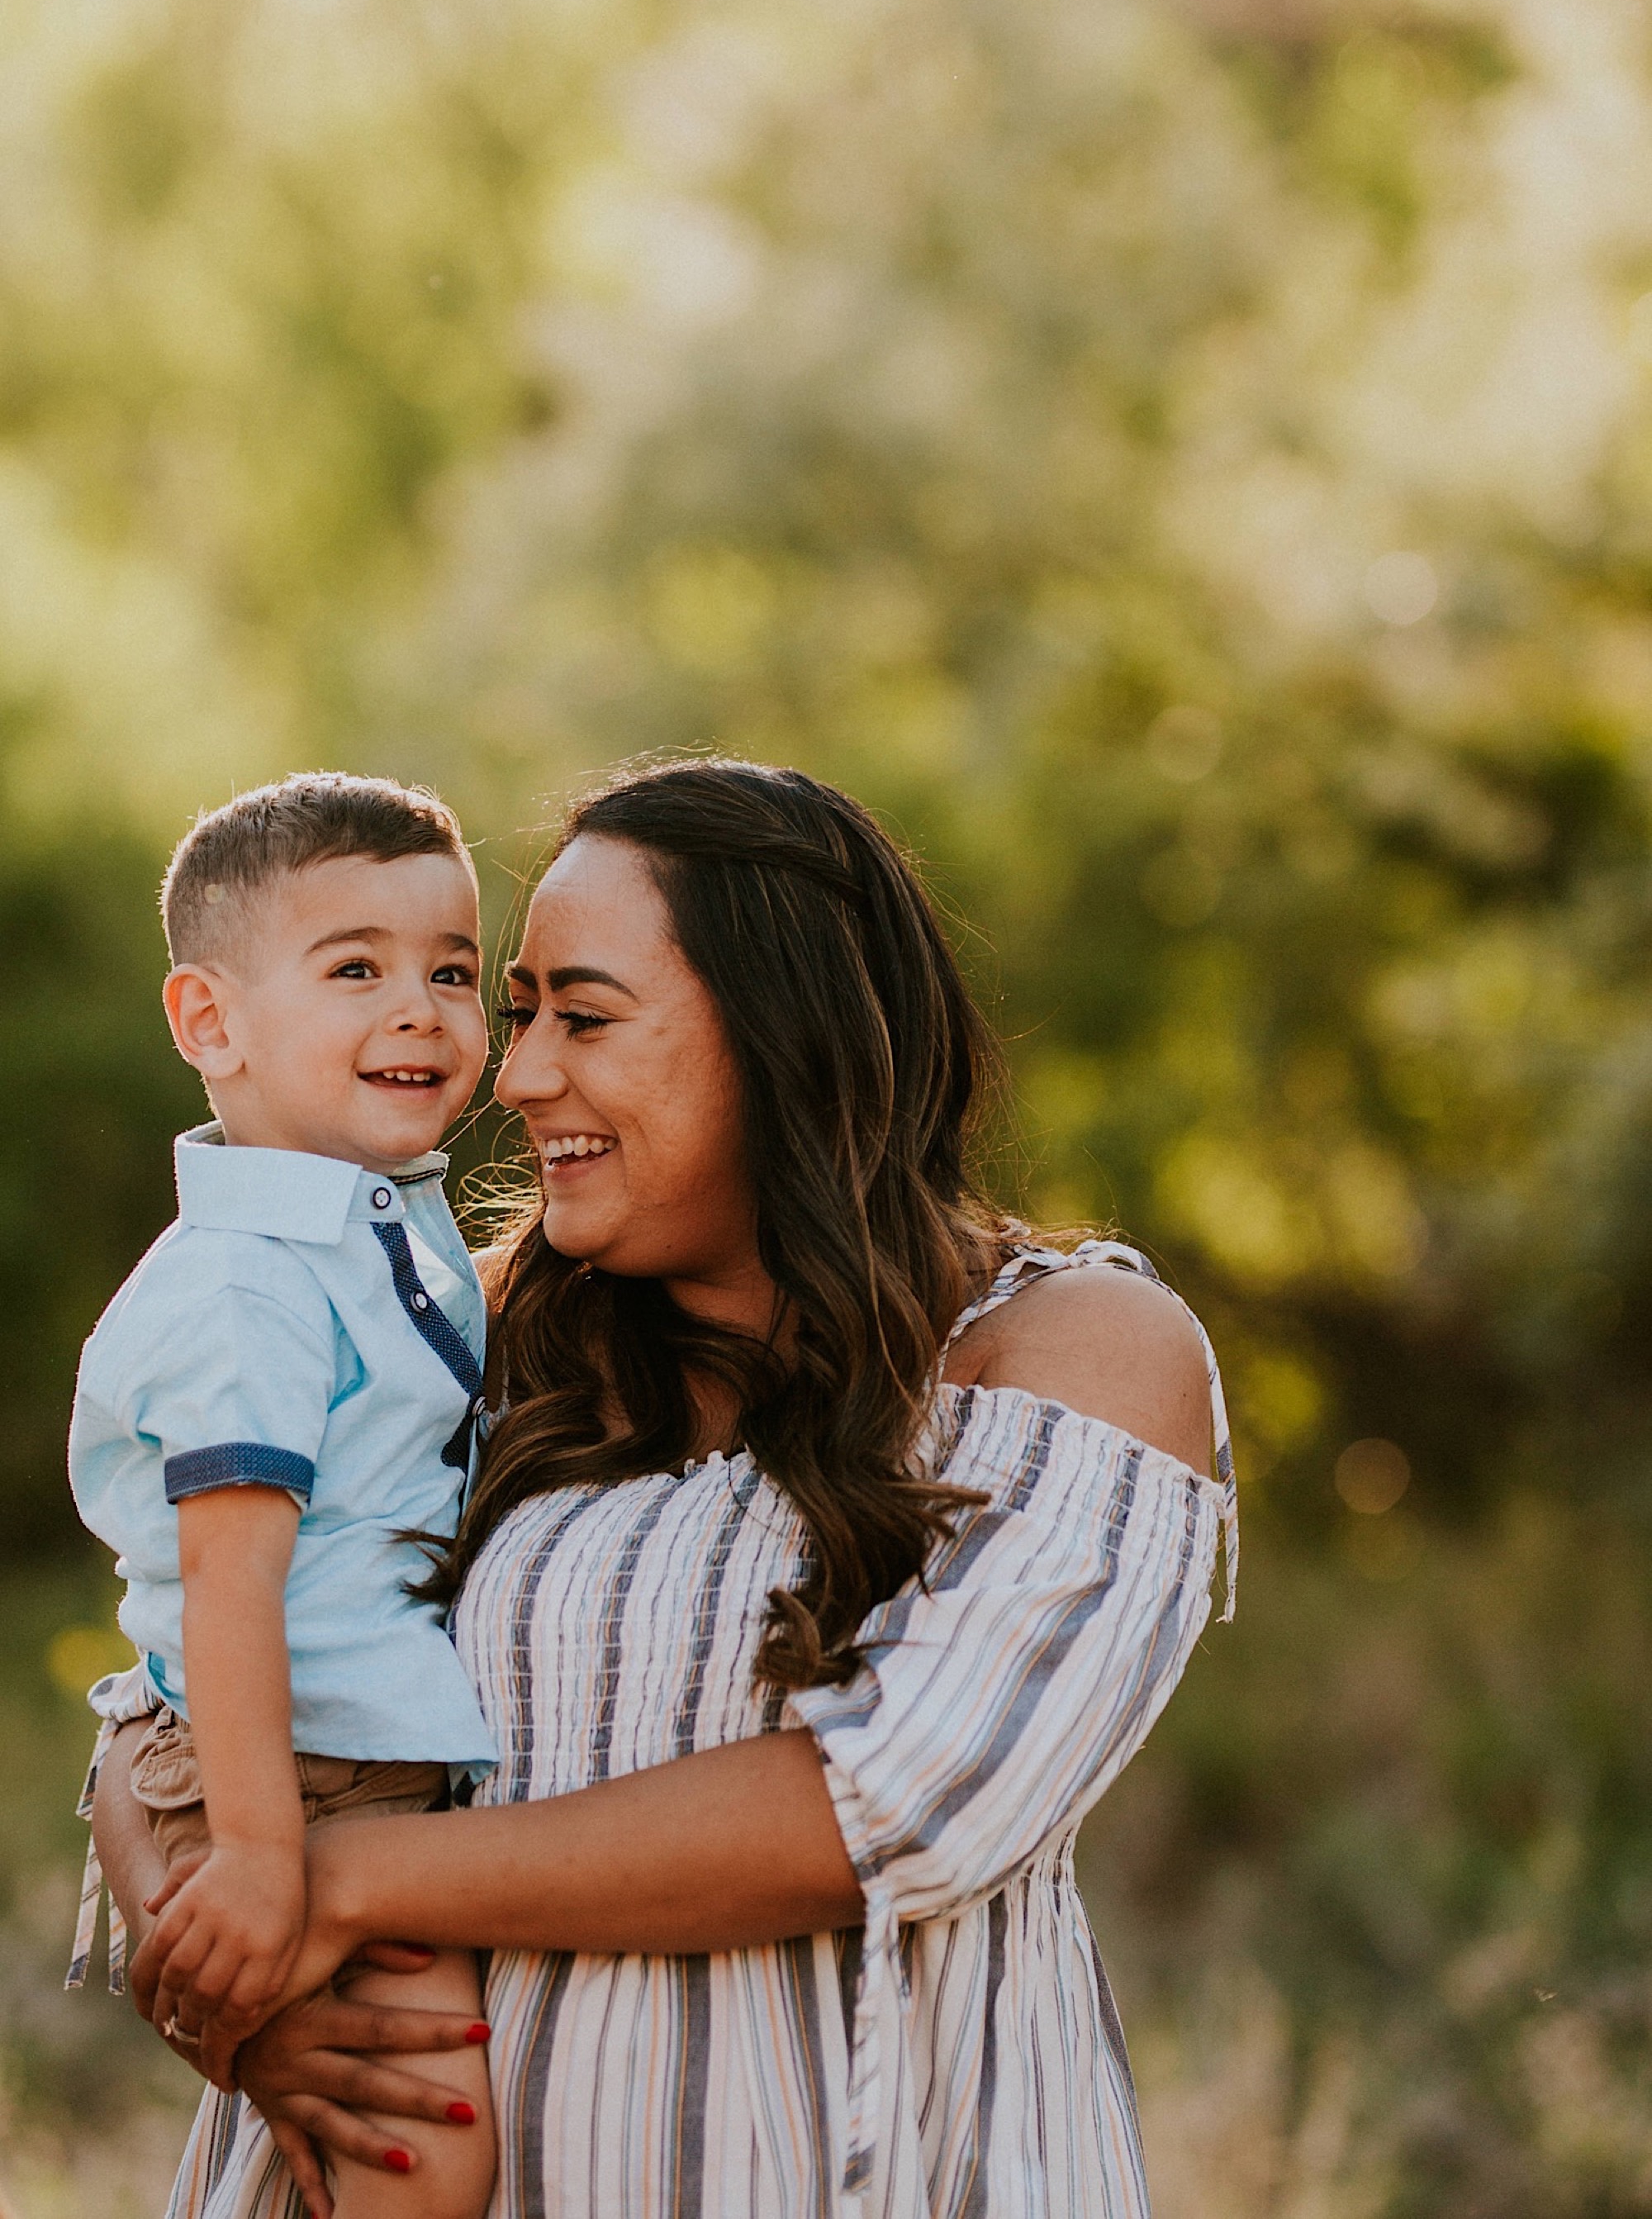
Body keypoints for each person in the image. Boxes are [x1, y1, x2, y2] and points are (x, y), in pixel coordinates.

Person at [94, 756, 1237, 2219]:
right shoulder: (458, 1321)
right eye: (518, 1012)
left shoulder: (1069, 1347)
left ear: (785, 1035)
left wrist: (344, 1877)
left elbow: (899, 1800)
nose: (513, 1073)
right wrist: (206, 1936)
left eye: (581, 1014)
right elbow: (176, 1658)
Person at [69, 774, 498, 2219]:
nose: (422, 1008)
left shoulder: (375, 1233)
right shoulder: (250, 1282)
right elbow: (230, 1581)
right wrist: (259, 1853)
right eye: (357, 968)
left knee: (359, 2152)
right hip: (298, 1777)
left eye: (452, 969)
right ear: (210, 1023)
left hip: (339, 1759)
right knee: (418, 2141)